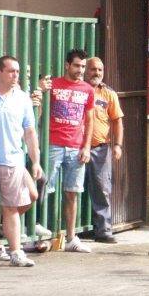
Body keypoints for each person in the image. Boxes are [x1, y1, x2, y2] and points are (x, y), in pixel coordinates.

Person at [0, 56, 44, 267]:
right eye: (11, 71)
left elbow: (29, 131)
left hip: (13, 160)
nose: (16, 75)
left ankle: (16, 252)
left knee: (12, 207)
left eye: (18, 71)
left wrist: (35, 161)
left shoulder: (22, 98)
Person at [44, 48, 95, 253]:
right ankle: (42, 231)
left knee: (72, 192)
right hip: (53, 143)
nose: (80, 70)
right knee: (44, 189)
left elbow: (90, 120)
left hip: (76, 146)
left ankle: (72, 237)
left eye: (83, 66)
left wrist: (87, 146)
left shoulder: (88, 90)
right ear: (67, 65)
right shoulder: (54, 85)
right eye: (77, 65)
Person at [81, 57, 123, 244]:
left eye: (99, 70)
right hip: (76, 147)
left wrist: (117, 145)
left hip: (100, 148)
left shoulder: (108, 94)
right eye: (92, 69)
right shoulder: (77, 90)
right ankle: (72, 230)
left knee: (102, 189)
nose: (96, 73)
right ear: (85, 70)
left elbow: (117, 120)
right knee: (72, 189)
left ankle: (103, 230)